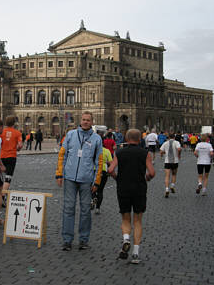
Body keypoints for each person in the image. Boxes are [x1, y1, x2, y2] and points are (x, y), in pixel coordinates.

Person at [55, 111, 103, 251]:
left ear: (92, 122)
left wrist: (97, 181)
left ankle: (83, 240)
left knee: (85, 211)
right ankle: (67, 240)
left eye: (88, 120)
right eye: (83, 119)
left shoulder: (96, 139)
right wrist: (59, 174)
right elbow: (62, 155)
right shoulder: (70, 135)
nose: (85, 122)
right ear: (80, 121)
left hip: (86, 179)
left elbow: (99, 161)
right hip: (70, 178)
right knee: (68, 209)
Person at [108, 129, 155, 264]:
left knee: (125, 218)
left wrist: (117, 178)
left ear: (126, 139)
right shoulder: (145, 153)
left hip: (123, 188)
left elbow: (111, 170)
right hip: (139, 188)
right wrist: (147, 177)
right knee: (138, 221)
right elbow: (152, 172)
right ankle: (135, 253)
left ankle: (126, 239)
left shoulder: (119, 152)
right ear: (140, 139)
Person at [0, 116, 23, 207]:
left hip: (2, 156)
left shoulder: (2, 132)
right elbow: (20, 145)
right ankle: (3, 195)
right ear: (14, 123)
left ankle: (1, 193)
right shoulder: (17, 133)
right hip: (11, 157)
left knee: (1, 177)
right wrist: (16, 148)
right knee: (8, 178)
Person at [92, 131, 113, 214]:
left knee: (92, 188)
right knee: (100, 191)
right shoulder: (106, 151)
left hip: (93, 171)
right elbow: (111, 163)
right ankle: (98, 208)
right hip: (103, 171)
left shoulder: (93, 150)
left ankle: (93, 198)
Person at [160, 133, 182, 198]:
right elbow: (179, 149)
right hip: (175, 161)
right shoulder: (176, 142)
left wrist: (163, 154)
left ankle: (167, 189)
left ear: (168, 137)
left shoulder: (165, 143)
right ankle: (172, 186)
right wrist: (179, 155)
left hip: (167, 161)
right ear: (174, 137)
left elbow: (161, 151)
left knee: (167, 176)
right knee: (174, 174)